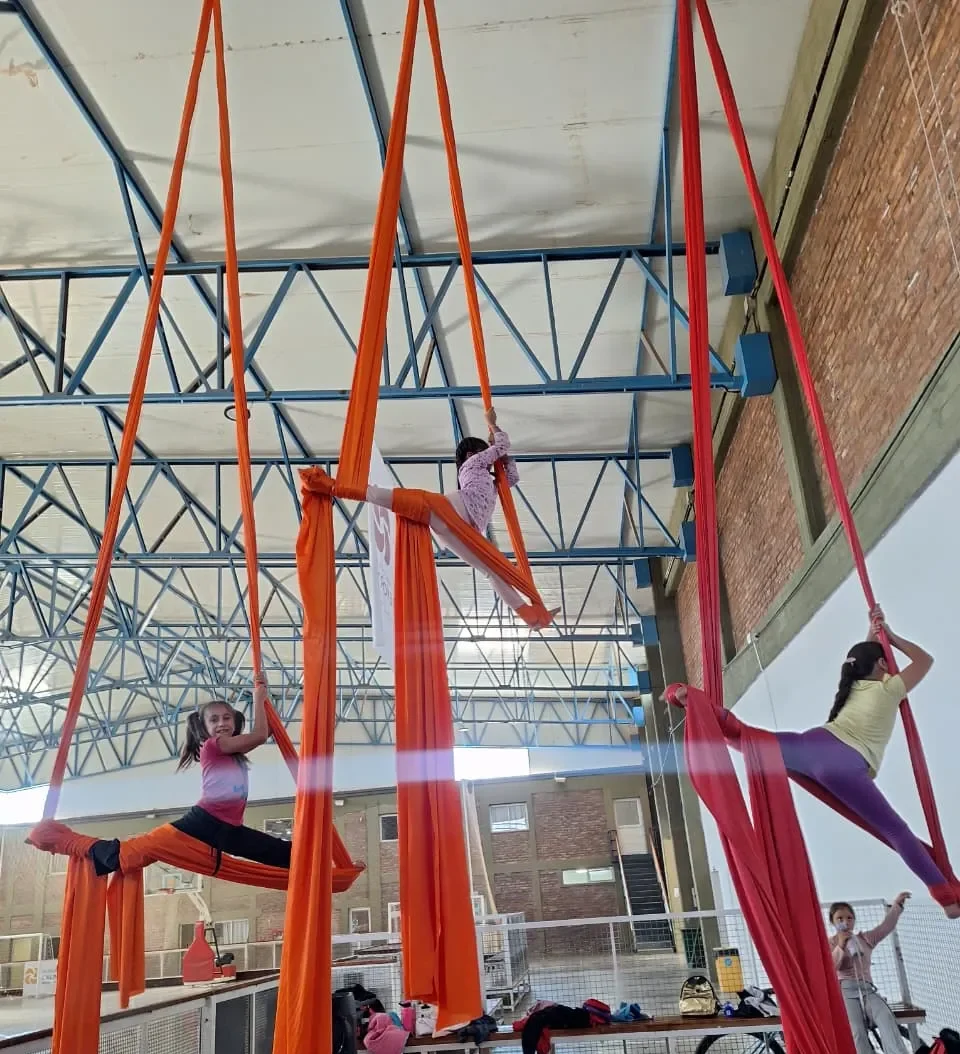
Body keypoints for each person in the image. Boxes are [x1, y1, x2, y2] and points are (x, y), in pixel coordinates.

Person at [670, 608, 957, 916]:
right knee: (896, 831)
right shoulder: (889, 688)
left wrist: (875, 631)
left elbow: (863, 658)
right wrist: (893, 637)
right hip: (844, 762)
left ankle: (695, 703)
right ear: (883, 665)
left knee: (749, 740)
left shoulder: (853, 683)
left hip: (811, 745)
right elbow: (925, 660)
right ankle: (947, 899)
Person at [366, 407, 558, 622]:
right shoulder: (473, 464)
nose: (490, 459)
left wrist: (505, 459)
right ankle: (352, 489)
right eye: (485, 453)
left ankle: (530, 616)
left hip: (464, 531)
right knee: (407, 499)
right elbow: (502, 445)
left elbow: (511, 479)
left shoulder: (491, 483)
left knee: (492, 572)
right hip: (450, 510)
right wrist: (493, 425)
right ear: (471, 454)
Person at [170, 673, 291, 869]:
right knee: (159, 843)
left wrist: (265, 697)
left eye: (227, 718)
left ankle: (332, 870)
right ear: (204, 727)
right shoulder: (213, 745)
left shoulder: (233, 749)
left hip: (229, 828)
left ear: (234, 722)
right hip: (207, 820)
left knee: (282, 852)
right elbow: (260, 735)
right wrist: (258, 699)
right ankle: (112, 854)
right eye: (214, 720)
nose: (221, 724)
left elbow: (269, 728)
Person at [830, 894, 911, 1054]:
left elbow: (886, 926)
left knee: (886, 1018)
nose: (845, 922)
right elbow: (833, 966)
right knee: (857, 1032)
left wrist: (897, 906)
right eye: (839, 918)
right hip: (846, 992)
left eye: (849, 917)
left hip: (867, 990)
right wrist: (841, 944)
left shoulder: (865, 939)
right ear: (832, 921)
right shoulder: (830, 942)